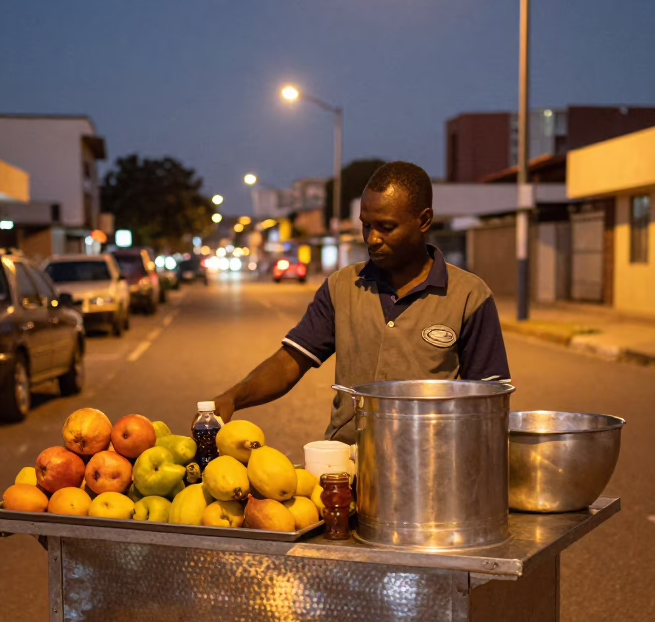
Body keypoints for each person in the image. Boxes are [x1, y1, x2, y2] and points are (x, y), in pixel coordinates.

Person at [214, 161, 510, 434]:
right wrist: (232, 397)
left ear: (423, 220)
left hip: (430, 465)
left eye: (386, 227)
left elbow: (490, 403)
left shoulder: (469, 296)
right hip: (347, 464)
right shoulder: (342, 287)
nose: (371, 238)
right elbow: (290, 362)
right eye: (366, 225)